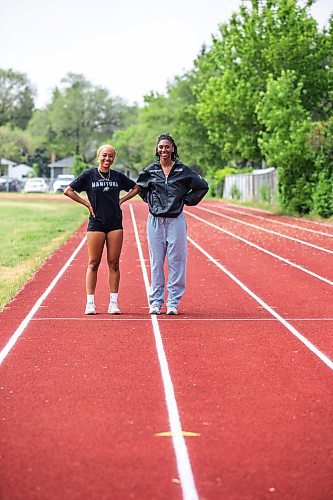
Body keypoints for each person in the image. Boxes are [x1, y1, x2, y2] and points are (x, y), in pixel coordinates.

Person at [136, 133, 208, 315]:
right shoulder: (150, 171)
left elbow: (202, 186)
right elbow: (140, 188)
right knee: (156, 262)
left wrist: (186, 200)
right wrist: (152, 201)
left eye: (167, 146)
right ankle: (155, 302)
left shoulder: (183, 171)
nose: (164, 150)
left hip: (176, 220)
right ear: (157, 149)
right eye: (161, 147)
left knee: (177, 262)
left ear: (173, 148)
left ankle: (173, 302)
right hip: (155, 221)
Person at [64, 144, 140, 315]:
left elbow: (136, 188)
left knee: (114, 263)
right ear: (98, 156)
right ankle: (90, 303)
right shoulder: (89, 175)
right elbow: (68, 191)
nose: (107, 159)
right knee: (93, 263)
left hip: (114, 223)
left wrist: (122, 200)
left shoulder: (118, 177)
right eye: (104, 155)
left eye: (111, 156)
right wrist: (87, 204)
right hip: (96, 223)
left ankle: (113, 303)